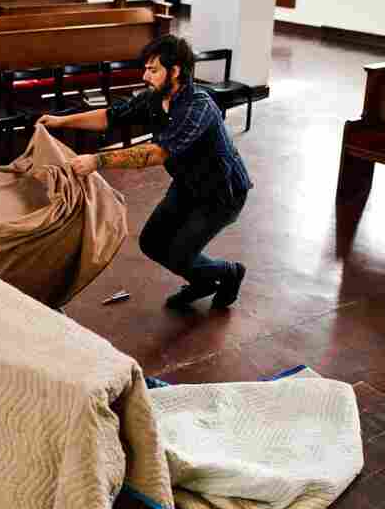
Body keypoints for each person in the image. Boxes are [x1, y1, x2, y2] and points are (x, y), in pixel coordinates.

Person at [38, 35, 252, 309]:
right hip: (188, 185)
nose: (145, 76)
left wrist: (97, 161)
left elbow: (157, 153)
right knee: (152, 243)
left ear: (174, 71)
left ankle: (228, 273)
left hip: (222, 193)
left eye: (153, 70)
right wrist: (61, 121)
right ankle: (204, 280)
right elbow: (110, 116)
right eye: (146, 69)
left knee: (180, 255)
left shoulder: (198, 107)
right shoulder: (155, 99)